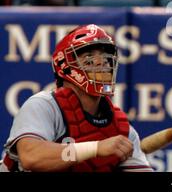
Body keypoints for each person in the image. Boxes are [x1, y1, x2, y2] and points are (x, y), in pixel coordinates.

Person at [0, 24, 153, 172]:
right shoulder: (44, 105)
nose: (101, 62)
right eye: (89, 57)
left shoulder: (120, 128)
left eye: (106, 56)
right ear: (65, 66)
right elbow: (31, 157)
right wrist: (96, 148)